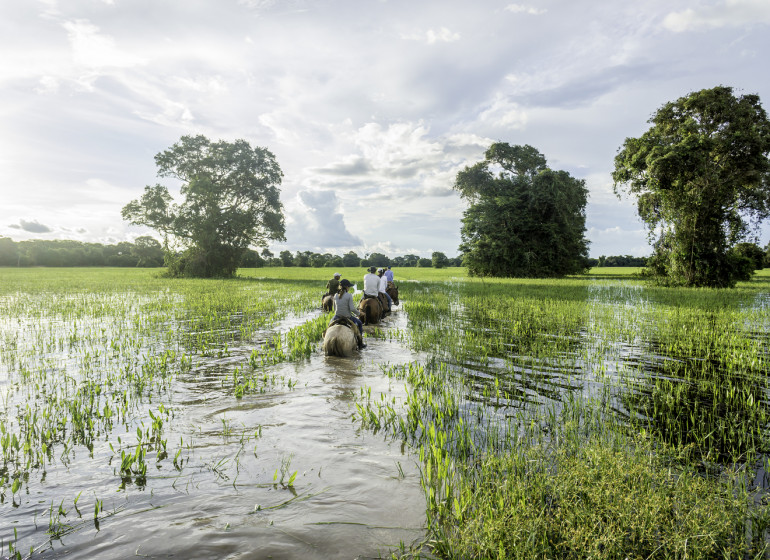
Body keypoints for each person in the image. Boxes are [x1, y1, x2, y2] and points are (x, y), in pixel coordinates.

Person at [333, 279, 365, 348]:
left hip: (337, 316)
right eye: (349, 286)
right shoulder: (349, 295)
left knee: (328, 327)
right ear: (347, 287)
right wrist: (359, 314)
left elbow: (334, 308)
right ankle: (360, 344)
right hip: (347, 317)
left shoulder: (335, 295)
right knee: (359, 323)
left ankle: (324, 343)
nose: (349, 288)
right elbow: (352, 309)